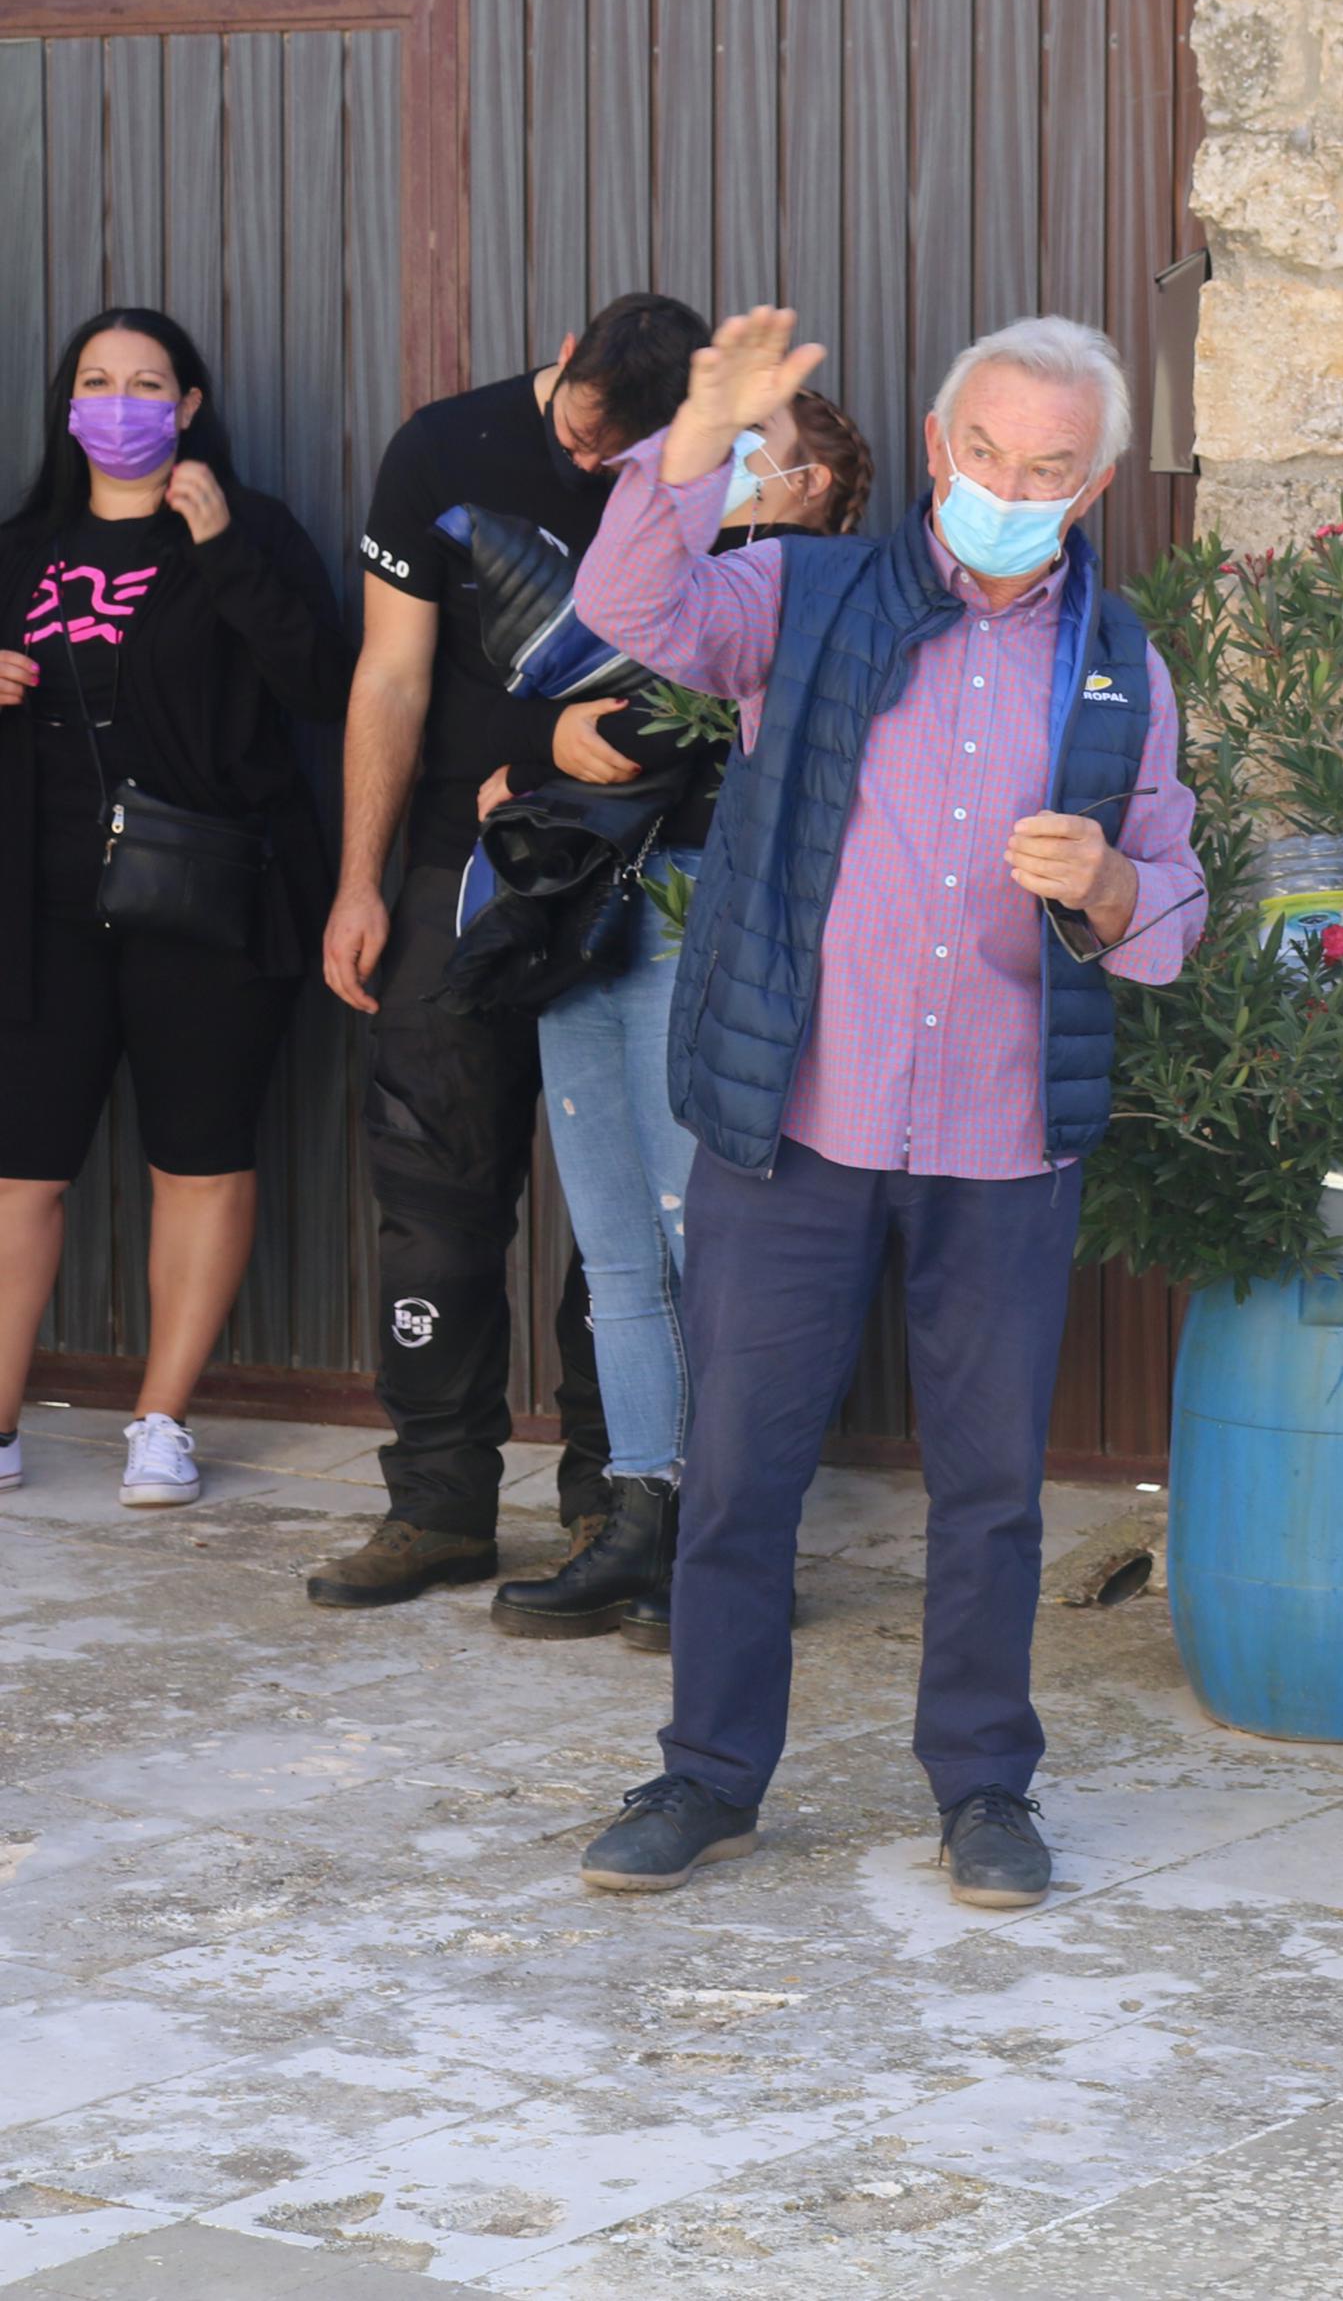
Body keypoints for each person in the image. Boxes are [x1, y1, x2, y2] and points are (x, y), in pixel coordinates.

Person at [559, 307, 1203, 1913]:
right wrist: (699, 435)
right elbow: (629, 600)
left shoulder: (1121, 660)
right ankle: (707, 1773)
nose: (1008, 483)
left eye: (1047, 464)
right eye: (983, 450)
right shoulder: (804, 591)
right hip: (798, 1119)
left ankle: (983, 1785)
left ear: (1095, 478)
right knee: (739, 1464)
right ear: (935, 450)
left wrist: (1115, 885)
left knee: (987, 1489)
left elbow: (1175, 899)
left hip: (1004, 1140)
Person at [311, 293, 709, 1608]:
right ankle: (436, 1504)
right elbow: (390, 678)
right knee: (433, 1195)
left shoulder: (713, 465)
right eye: (590, 434)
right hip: (460, 871)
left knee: (631, 1219)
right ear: (565, 364)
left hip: (640, 879)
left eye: (628, 452)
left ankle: (615, 1501)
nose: (600, 466)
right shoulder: (446, 446)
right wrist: (361, 884)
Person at [491, 389, 874, 1649]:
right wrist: (537, 751)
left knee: (703, 1239)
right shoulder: (671, 585)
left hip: (700, 905)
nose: (734, 468)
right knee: (611, 1243)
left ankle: (734, 1537)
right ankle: (640, 1512)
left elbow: (666, 739)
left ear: (819, 483)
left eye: (768, 450)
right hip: (589, 912)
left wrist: (543, 758)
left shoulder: (809, 584)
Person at [0, 309, 353, 1507]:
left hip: (206, 898)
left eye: (147, 382)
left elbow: (321, 685)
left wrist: (223, 553)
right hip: (38, 908)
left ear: (190, 406)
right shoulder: (19, 551)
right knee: (18, 1172)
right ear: (67, 404)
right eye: (97, 380)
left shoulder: (248, 531)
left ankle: (160, 1421)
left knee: (196, 1160)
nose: (120, 401)